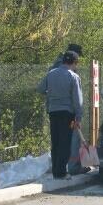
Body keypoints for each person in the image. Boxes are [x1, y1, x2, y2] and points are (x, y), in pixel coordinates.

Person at [37, 51, 84, 180]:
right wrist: (78, 117)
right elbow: (77, 100)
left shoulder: (51, 74)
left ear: (63, 61)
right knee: (65, 142)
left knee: (56, 142)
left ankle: (55, 171)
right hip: (67, 114)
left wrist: (52, 94)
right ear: (74, 63)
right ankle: (61, 172)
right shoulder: (73, 77)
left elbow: (40, 89)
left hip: (53, 112)